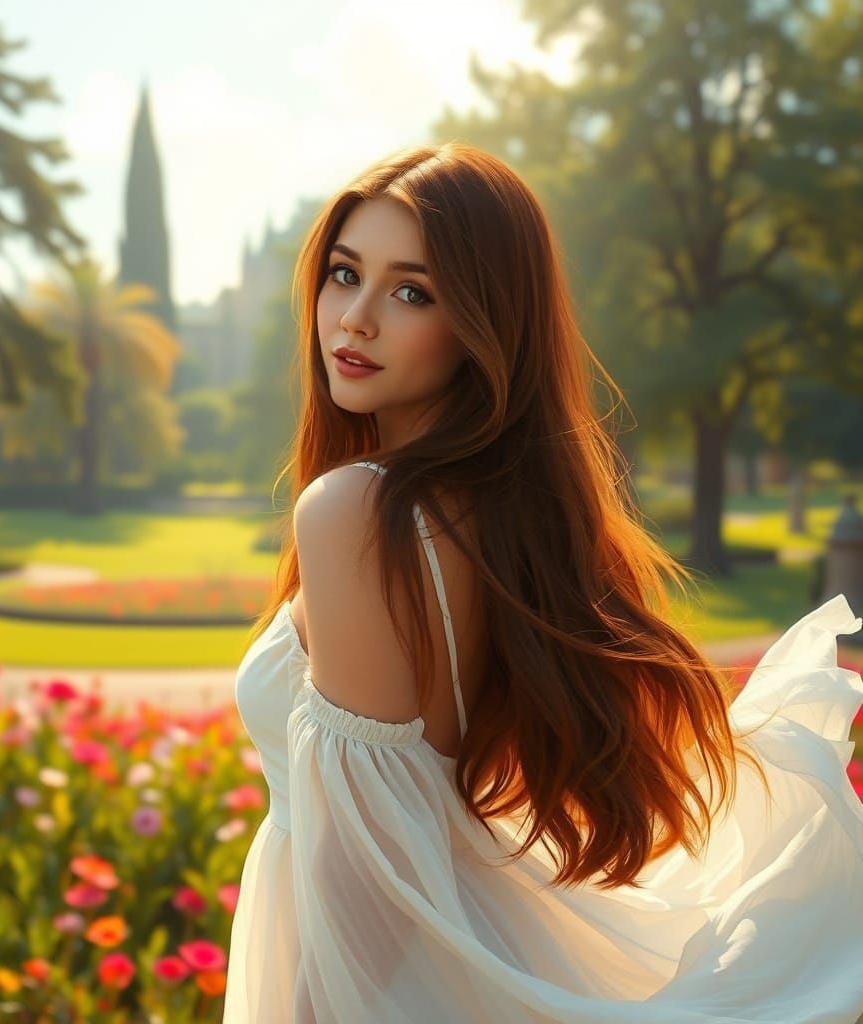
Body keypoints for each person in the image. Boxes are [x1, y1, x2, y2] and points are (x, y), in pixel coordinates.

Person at [221, 141, 863, 1023]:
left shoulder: (353, 512)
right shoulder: (495, 514)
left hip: (369, 986)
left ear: (484, 321)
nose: (355, 319)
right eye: (344, 274)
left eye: (412, 293)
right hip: (440, 962)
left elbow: (368, 873)